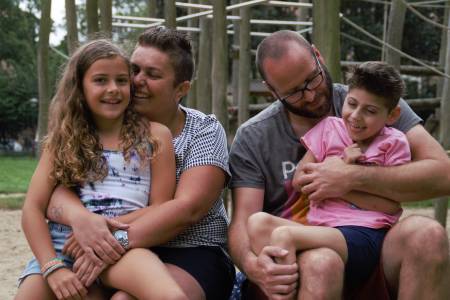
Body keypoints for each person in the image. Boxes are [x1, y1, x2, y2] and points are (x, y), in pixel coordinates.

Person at [228, 30, 450, 300]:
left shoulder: (371, 101)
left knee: (428, 234)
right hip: (302, 253)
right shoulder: (254, 136)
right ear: (271, 91)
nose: (310, 95)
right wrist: (253, 267)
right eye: (295, 92)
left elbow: (443, 174)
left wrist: (352, 178)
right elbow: (242, 223)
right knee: (321, 262)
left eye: (312, 79)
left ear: (318, 56)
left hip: (369, 240)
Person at [43, 27, 235, 300]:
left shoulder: (202, 130)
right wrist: (81, 220)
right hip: (114, 251)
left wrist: (108, 242)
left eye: (153, 75)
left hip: (189, 251)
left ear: (181, 89)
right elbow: (54, 191)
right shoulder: (102, 124)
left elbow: (187, 209)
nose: (137, 81)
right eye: (134, 70)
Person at [16, 39, 187, 299]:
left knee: (170, 295)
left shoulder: (155, 136)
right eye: (100, 80)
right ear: (80, 87)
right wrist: (52, 268)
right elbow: (32, 208)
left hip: (120, 248)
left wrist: (106, 232)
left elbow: (160, 209)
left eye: (121, 80)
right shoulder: (64, 138)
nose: (113, 89)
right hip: (63, 247)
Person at [247, 61, 411, 297]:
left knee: (284, 235)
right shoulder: (329, 128)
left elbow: (390, 205)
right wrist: (338, 167)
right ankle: (285, 278)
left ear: (392, 115)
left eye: (370, 111)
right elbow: (299, 179)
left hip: (365, 235)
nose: (356, 116)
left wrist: (342, 183)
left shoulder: (393, 143)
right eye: (352, 104)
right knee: (257, 223)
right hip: (322, 229)